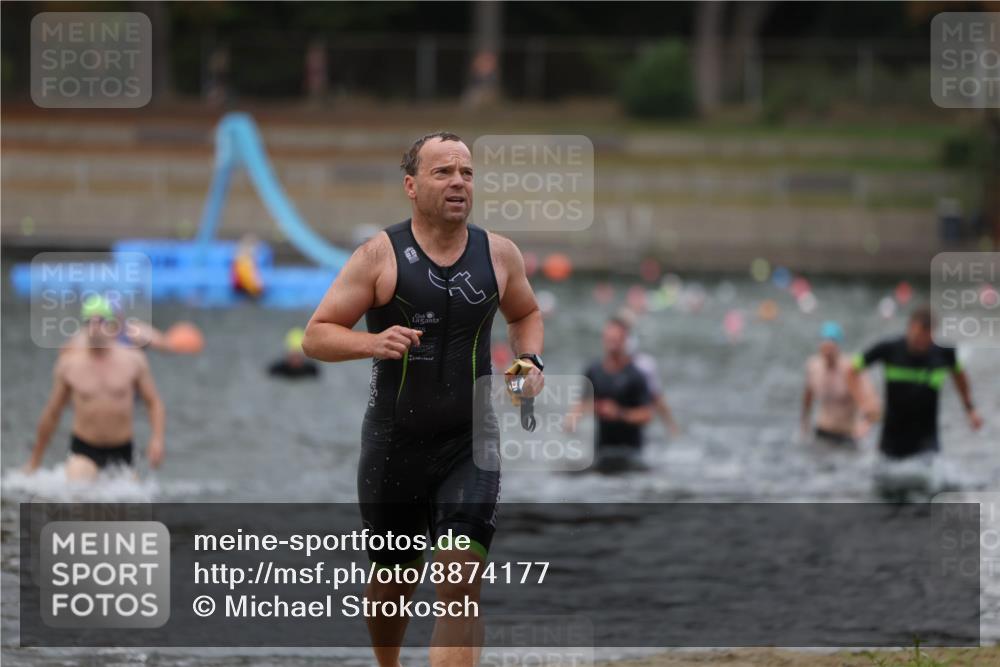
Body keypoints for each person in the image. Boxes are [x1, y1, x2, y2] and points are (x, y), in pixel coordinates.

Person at [302, 131, 543, 667]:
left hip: (470, 444)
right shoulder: (378, 256)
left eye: (467, 173)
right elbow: (315, 336)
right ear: (411, 186)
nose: (459, 182)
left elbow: (525, 313)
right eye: (443, 172)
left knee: (460, 580)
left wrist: (529, 362)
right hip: (394, 448)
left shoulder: (498, 254)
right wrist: (371, 342)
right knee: (393, 585)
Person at [25, 295, 166, 481]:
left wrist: (157, 439)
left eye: (100, 321)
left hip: (122, 449)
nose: (94, 328)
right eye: (89, 322)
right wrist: (35, 460)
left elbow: (153, 402)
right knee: (78, 486)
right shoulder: (69, 365)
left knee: (131, 495)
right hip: (85, 449)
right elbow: (53, 413)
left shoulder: (134, 361)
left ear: (112, 326)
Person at [849, 306, 983, 463]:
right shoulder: (888, 349)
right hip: (892, 439)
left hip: (927, 440)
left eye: (927, 338)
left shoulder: (945, 353)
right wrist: (865, 406)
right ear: (910, 328)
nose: (922, 343)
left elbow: (959, 376)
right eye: (918, 336)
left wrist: (970, 409)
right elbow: (851, 370)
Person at [567, 316, 655, 473]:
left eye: (616, 339)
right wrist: (572, 419)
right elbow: (583, 402)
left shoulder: (636, 375)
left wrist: (619, 413)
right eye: (609, 339)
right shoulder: (593, 370)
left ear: (625, 340)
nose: (612, 344)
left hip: (630, 452)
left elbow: (647, 415)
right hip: (602, 450)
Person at [801, 321, 866, 448]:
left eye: (830, 348)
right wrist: (804, 422)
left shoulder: (850, 369)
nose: (827, 353)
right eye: (825, 348)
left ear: (837, 347)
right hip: (822, 431)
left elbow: (867, 402)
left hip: (847, 434)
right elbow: (808, 396)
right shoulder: (813, 366)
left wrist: (863, 424)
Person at [618, 308, 680, 437]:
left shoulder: (644, 365)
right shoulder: (602, 365)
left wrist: (671, 426)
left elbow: (656, 398)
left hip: (634, 428)